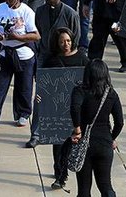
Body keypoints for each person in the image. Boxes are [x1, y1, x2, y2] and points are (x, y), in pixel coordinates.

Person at [27, 0, 81, 149]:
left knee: (68, 96)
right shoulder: (40, 11)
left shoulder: (70, 14)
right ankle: (35, 133)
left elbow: (76, 36)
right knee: (40, 96)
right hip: (44, 57)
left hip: (64, 59)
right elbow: (37, 33)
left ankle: (70, 129)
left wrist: (69, 54)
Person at [38, 28, 89, 189]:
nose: (65, 44)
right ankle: (60, 174)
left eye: (67, 41)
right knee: (59, 144)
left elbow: (89, 79)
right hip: (57, 110)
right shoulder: (51, 61)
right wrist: (40, 95)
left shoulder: (81, 58)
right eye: (62, 42)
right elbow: (44, 82)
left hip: (78, 110)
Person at [0, 0, 41, 128]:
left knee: (24, 87)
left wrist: (18, 38)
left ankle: (23, 114)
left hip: (23, 54)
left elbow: (36, 36)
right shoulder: (0, 8)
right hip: (5, 53)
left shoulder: (27, 12)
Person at [70, 60, 124, 197]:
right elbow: (120, 122)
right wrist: (111, 138)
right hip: (104, 143)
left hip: (84, 144)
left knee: (84, 189)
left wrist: (77, 129)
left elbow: (74, 108)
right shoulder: (111, 94)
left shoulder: (80, 90)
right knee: (106, 186)